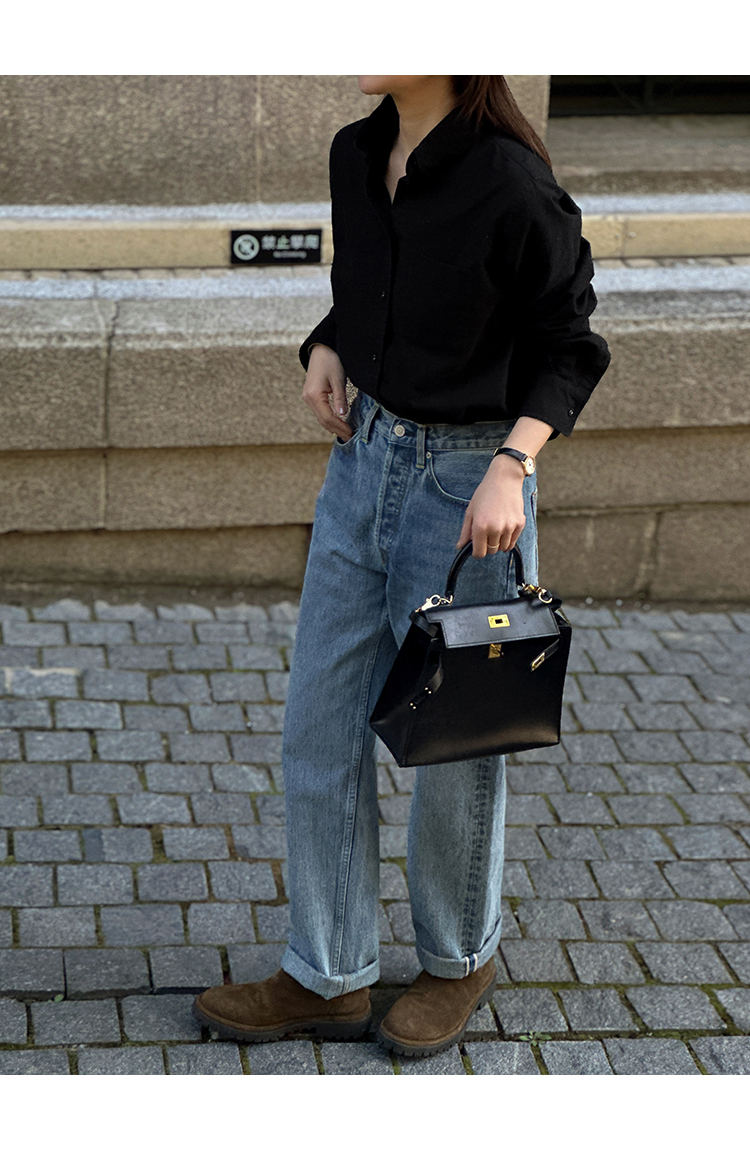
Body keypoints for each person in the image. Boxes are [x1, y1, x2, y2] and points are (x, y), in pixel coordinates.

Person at [194, 75, 610, 1058]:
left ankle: (459, 959)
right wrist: (328, 345)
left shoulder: (511, 183)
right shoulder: (356, 151)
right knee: (320, 727)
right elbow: (375, 291)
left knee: (457, 746)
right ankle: (327, 973)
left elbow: (569, 346)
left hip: (470, 490)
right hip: (362, 464)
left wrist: (511, 467)